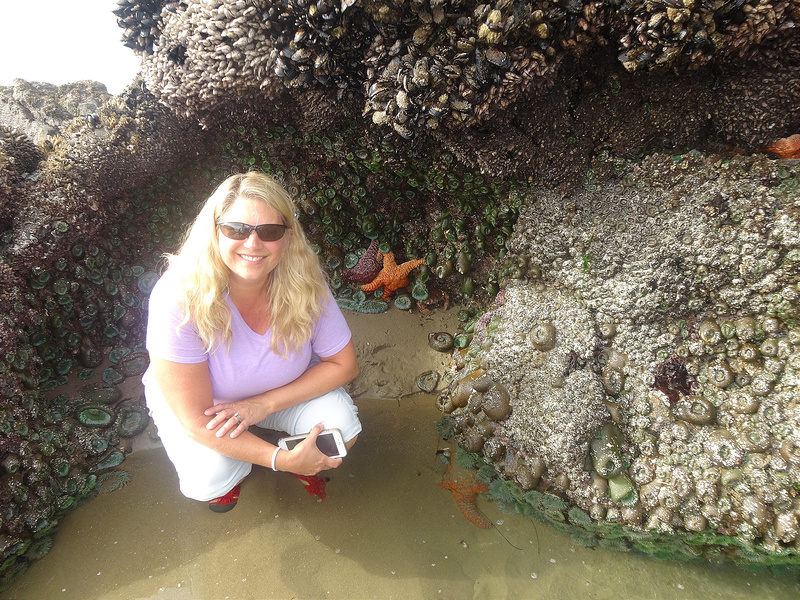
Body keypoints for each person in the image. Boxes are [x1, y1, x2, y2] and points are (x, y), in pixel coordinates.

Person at [141, 172, 361, 512]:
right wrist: (278, 460)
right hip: (210, 407)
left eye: (269, 232)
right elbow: (196, 420)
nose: (253, 244)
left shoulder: (304, 280)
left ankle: (296, 453)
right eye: (236, 229)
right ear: (214, 231)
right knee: (210, 477)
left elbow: (344, 365)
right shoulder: (178, 296)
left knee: (340, 430)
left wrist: (262, 405)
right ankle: (246, 471)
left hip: (280, 393)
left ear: (288, 237)